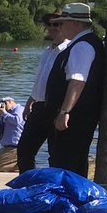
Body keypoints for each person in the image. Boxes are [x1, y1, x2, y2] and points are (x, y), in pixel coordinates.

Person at [46, 2, 106, 178]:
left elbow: (77, 81)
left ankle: (67, 201)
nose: (60, 27)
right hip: (79, 116)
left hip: (75, 117)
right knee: (73, 163)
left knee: (65, 164)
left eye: (63, 22)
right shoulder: (84, 43)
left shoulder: (82, 46)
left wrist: (65, 111)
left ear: (75, 24)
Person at [17, 12, 69, 173]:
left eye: (57, 24)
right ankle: (28, 187)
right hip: (38, 106)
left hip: (56, 107)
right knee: (24, 150)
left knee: (55, 154)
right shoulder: (47, 51)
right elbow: (40, 81)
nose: (52, 28)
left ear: (64, 26)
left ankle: (54, 189)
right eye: (50, 24)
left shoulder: (68, 50)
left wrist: (64, 110)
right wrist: (29, 103)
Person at [0, 97, 25, 172]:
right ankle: (21, 163)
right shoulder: (8, 113)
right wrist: (1, 114)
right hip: (9, 147)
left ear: (10, 101)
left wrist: (4, 112)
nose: (3, 106)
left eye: (4, 103)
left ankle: (21, 162)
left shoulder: (19, 109)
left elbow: (17, 120)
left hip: (16, 147)